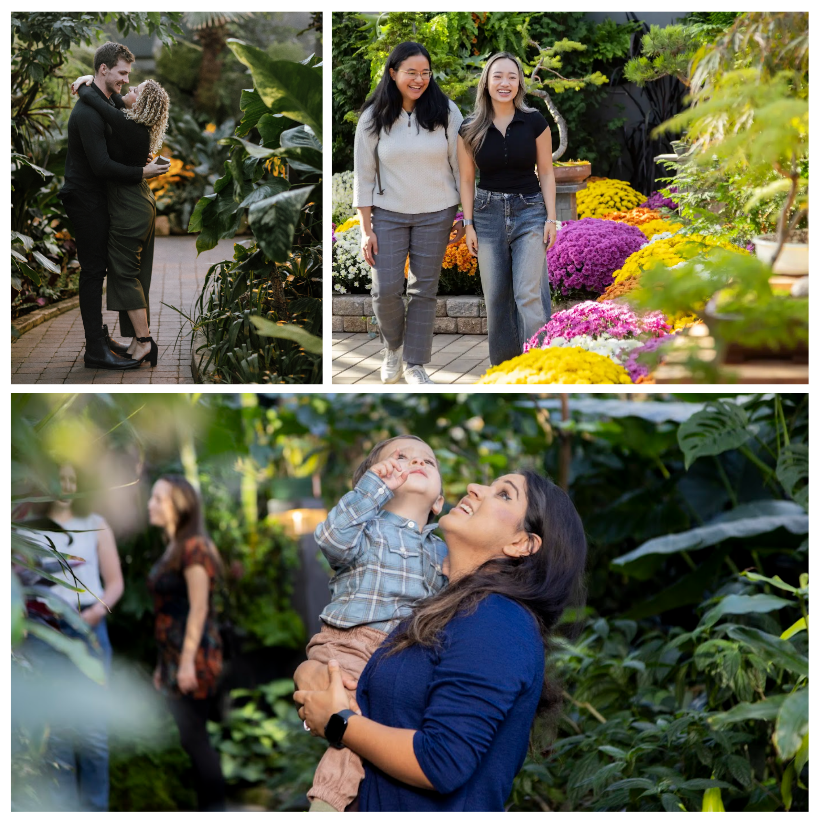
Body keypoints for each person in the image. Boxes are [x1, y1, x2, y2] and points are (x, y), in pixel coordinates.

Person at [295, 471, 587, 811]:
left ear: (522, 544)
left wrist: (338, 722)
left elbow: (442, 761)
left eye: (504, 494)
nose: (475, 488)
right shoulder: (445, 609)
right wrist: (312, 672)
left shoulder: (498, 622)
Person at [299, 435, 449, 811]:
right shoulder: (366, 530)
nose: (416, 461)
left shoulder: (443, 551)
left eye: (428, 461)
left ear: (440, 502)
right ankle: (326, 805)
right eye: (399, 458)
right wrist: (374, 489)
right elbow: (331, 537)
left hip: (397, 654)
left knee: (384, 733)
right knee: (351, 723)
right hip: (348, 645)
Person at [354, 42, 464, 385]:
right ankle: (393, 348)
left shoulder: (447, 112)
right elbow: (364, 174)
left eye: (425, 73)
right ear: (393, 73)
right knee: (385, 289)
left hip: (438, 212)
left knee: (423, 291)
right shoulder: (373, 117)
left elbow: (462, 169)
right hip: (388, 213)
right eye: (411, 73)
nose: (419, 79)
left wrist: (465, 216)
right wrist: (365, 229)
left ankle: (415, 364)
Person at [58, 41, 167, 370]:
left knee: (105, 269)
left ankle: (108, 339)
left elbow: (116, 113)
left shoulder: (109, 106)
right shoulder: (89, 112)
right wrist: (141, 169)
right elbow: (102, 166)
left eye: (129, 76)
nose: (125, 80)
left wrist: (85, 83)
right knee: (94, 271)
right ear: (103, 69)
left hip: (103, 198)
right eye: (121, 73)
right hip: (84, 197)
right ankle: (95, 347)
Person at [27, 462, 125, 811]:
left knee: (94, 736)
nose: (65, 485)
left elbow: (114, 585)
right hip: (45, 635)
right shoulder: (28, 529)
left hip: (88, 632)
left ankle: (96, 811)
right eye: (59, 478)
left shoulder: (96, 524)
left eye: (72, 478)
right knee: (57, 736)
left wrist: (97, 611)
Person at [458, 52, 559, 366]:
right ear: (486, 82)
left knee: (528, 294)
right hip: (487, 216)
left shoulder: (535, 121)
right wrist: (469, 224)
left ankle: (539, 365)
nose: (505, 83)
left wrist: (551, 218)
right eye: (498, 76)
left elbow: (545, 171)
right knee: (497, 299)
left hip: (530, 211)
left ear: (520, 83)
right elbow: (466, 178)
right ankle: (505, 369)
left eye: (512, 77)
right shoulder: (469, 128)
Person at [147, 475, 226, 811]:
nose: (150, 504)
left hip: (195, 658)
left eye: (158, 498)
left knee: (195, 740)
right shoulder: (174, 546)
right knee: (189, 739)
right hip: (175, 658)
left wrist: (185, 663)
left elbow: (199, 608)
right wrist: (162, 665)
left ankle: (215, 811)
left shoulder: (194, 547)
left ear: (180, 505)